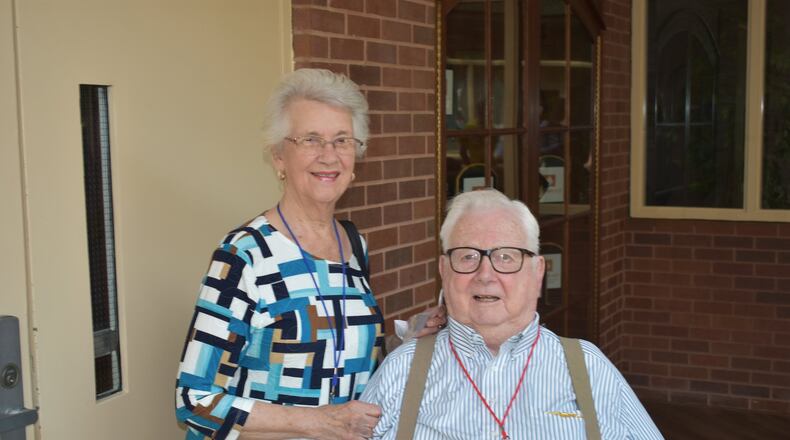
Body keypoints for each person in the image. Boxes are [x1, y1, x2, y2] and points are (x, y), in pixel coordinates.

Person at [175, 68, 444, 440]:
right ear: (279, 157)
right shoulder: (245, 255)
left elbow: (337, 358)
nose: (329, 156)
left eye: (342, 140)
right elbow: (195, 401)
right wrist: (318, 422)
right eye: (311, 140)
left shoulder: (353, 244)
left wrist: (402, 340)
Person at [360, 188, 663, 439]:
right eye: (467, 256)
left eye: (506, 257)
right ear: (443, 270)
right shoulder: (403, 371)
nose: (485, 274)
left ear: (538, 272)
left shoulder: (588, 368)